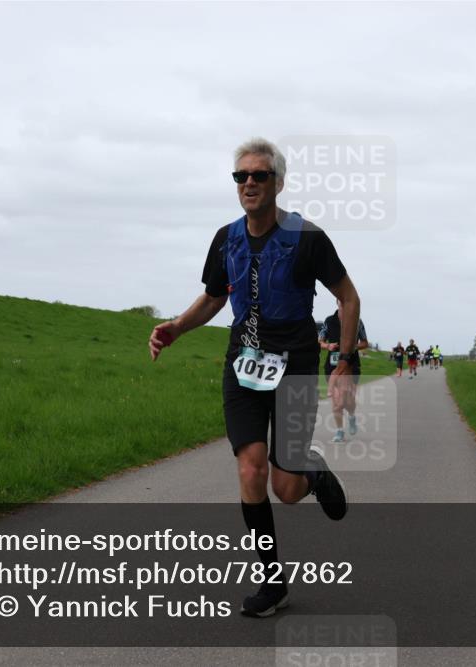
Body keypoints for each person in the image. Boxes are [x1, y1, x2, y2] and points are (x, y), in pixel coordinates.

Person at [148, 138, 359, 618]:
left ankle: (311, 472)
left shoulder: (307, 237)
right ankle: (272, 582)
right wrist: (176, 328)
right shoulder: (226, 239)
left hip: (295, 368)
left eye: (259, 175)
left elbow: (349, 298)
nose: (249, 183)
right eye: (241, 176)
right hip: (242, 365)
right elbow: (214, 297)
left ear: (277, 183)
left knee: (286, 490)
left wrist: (344, 362)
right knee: (250, 469)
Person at [318, 302, 368, 443]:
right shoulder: (329, 320)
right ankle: (340, 430)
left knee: (348, 401)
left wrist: (353, 347)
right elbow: (320, 341)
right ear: (337, 303)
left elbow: (365, 343)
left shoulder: (357, 321)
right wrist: (328, 346)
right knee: (337, 403)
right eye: (341, 302)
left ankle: (351, 416)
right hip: (332, 366)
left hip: (351, 366)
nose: (344, 305)